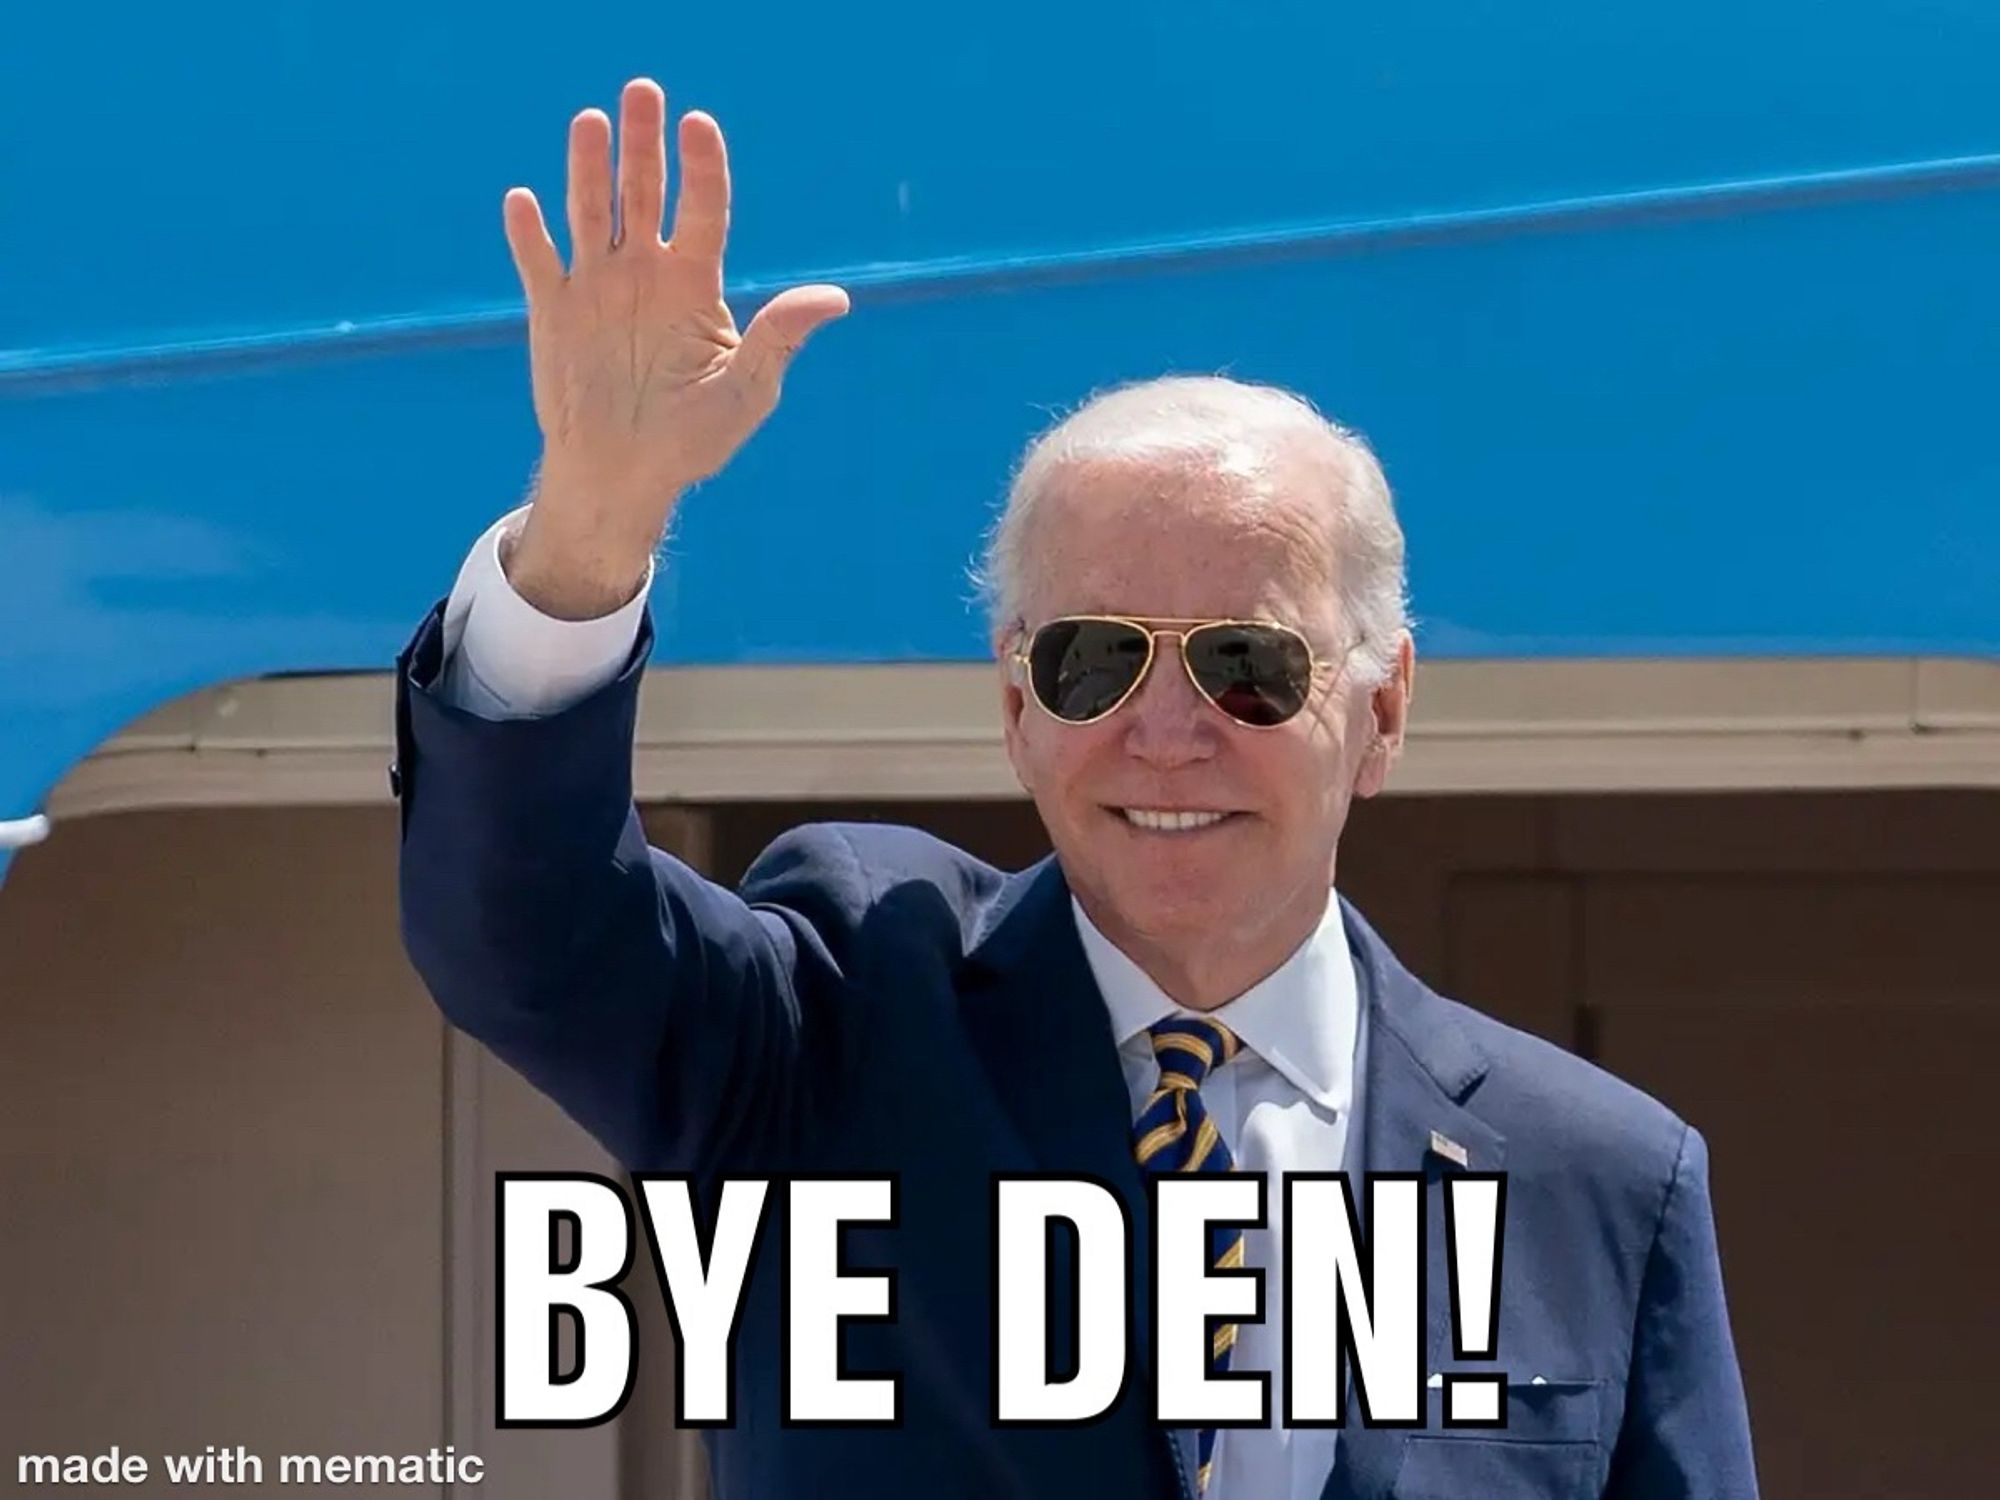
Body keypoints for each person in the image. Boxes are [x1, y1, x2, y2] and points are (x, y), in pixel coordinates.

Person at [395, 76, 1759, 1500]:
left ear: (1384, 706)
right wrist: (594, 529)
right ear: (1014, 707)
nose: (1167, 731)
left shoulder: (1600, 1183)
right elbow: (527, 940)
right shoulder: (845, 1023)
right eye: (1094, 662)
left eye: (1247, 663)